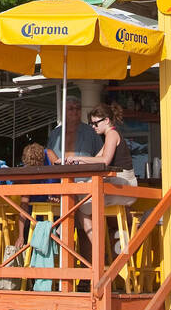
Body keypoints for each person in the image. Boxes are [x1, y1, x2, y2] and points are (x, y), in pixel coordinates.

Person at [63, 103, 138, 244]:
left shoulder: (112, 134)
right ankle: (99, 249)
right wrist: (74, 161)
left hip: (123, 185)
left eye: (95, 123)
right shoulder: (111, 135)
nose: (93, 127)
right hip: (122, 186)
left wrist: (78, 158)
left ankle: (98, 249)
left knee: (81, 207)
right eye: (91, 123)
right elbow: (97, 159)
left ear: (107, 121)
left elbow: (104, 160)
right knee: (81, 197)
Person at [46, 94, 100, 161]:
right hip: (58, 171)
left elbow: (100, 156)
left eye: (78, 108)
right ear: (63, 111)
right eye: (71, 108)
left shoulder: (91, 132)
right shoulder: (54, 134)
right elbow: (48, 157)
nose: (75, 111)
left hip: (84, 171)